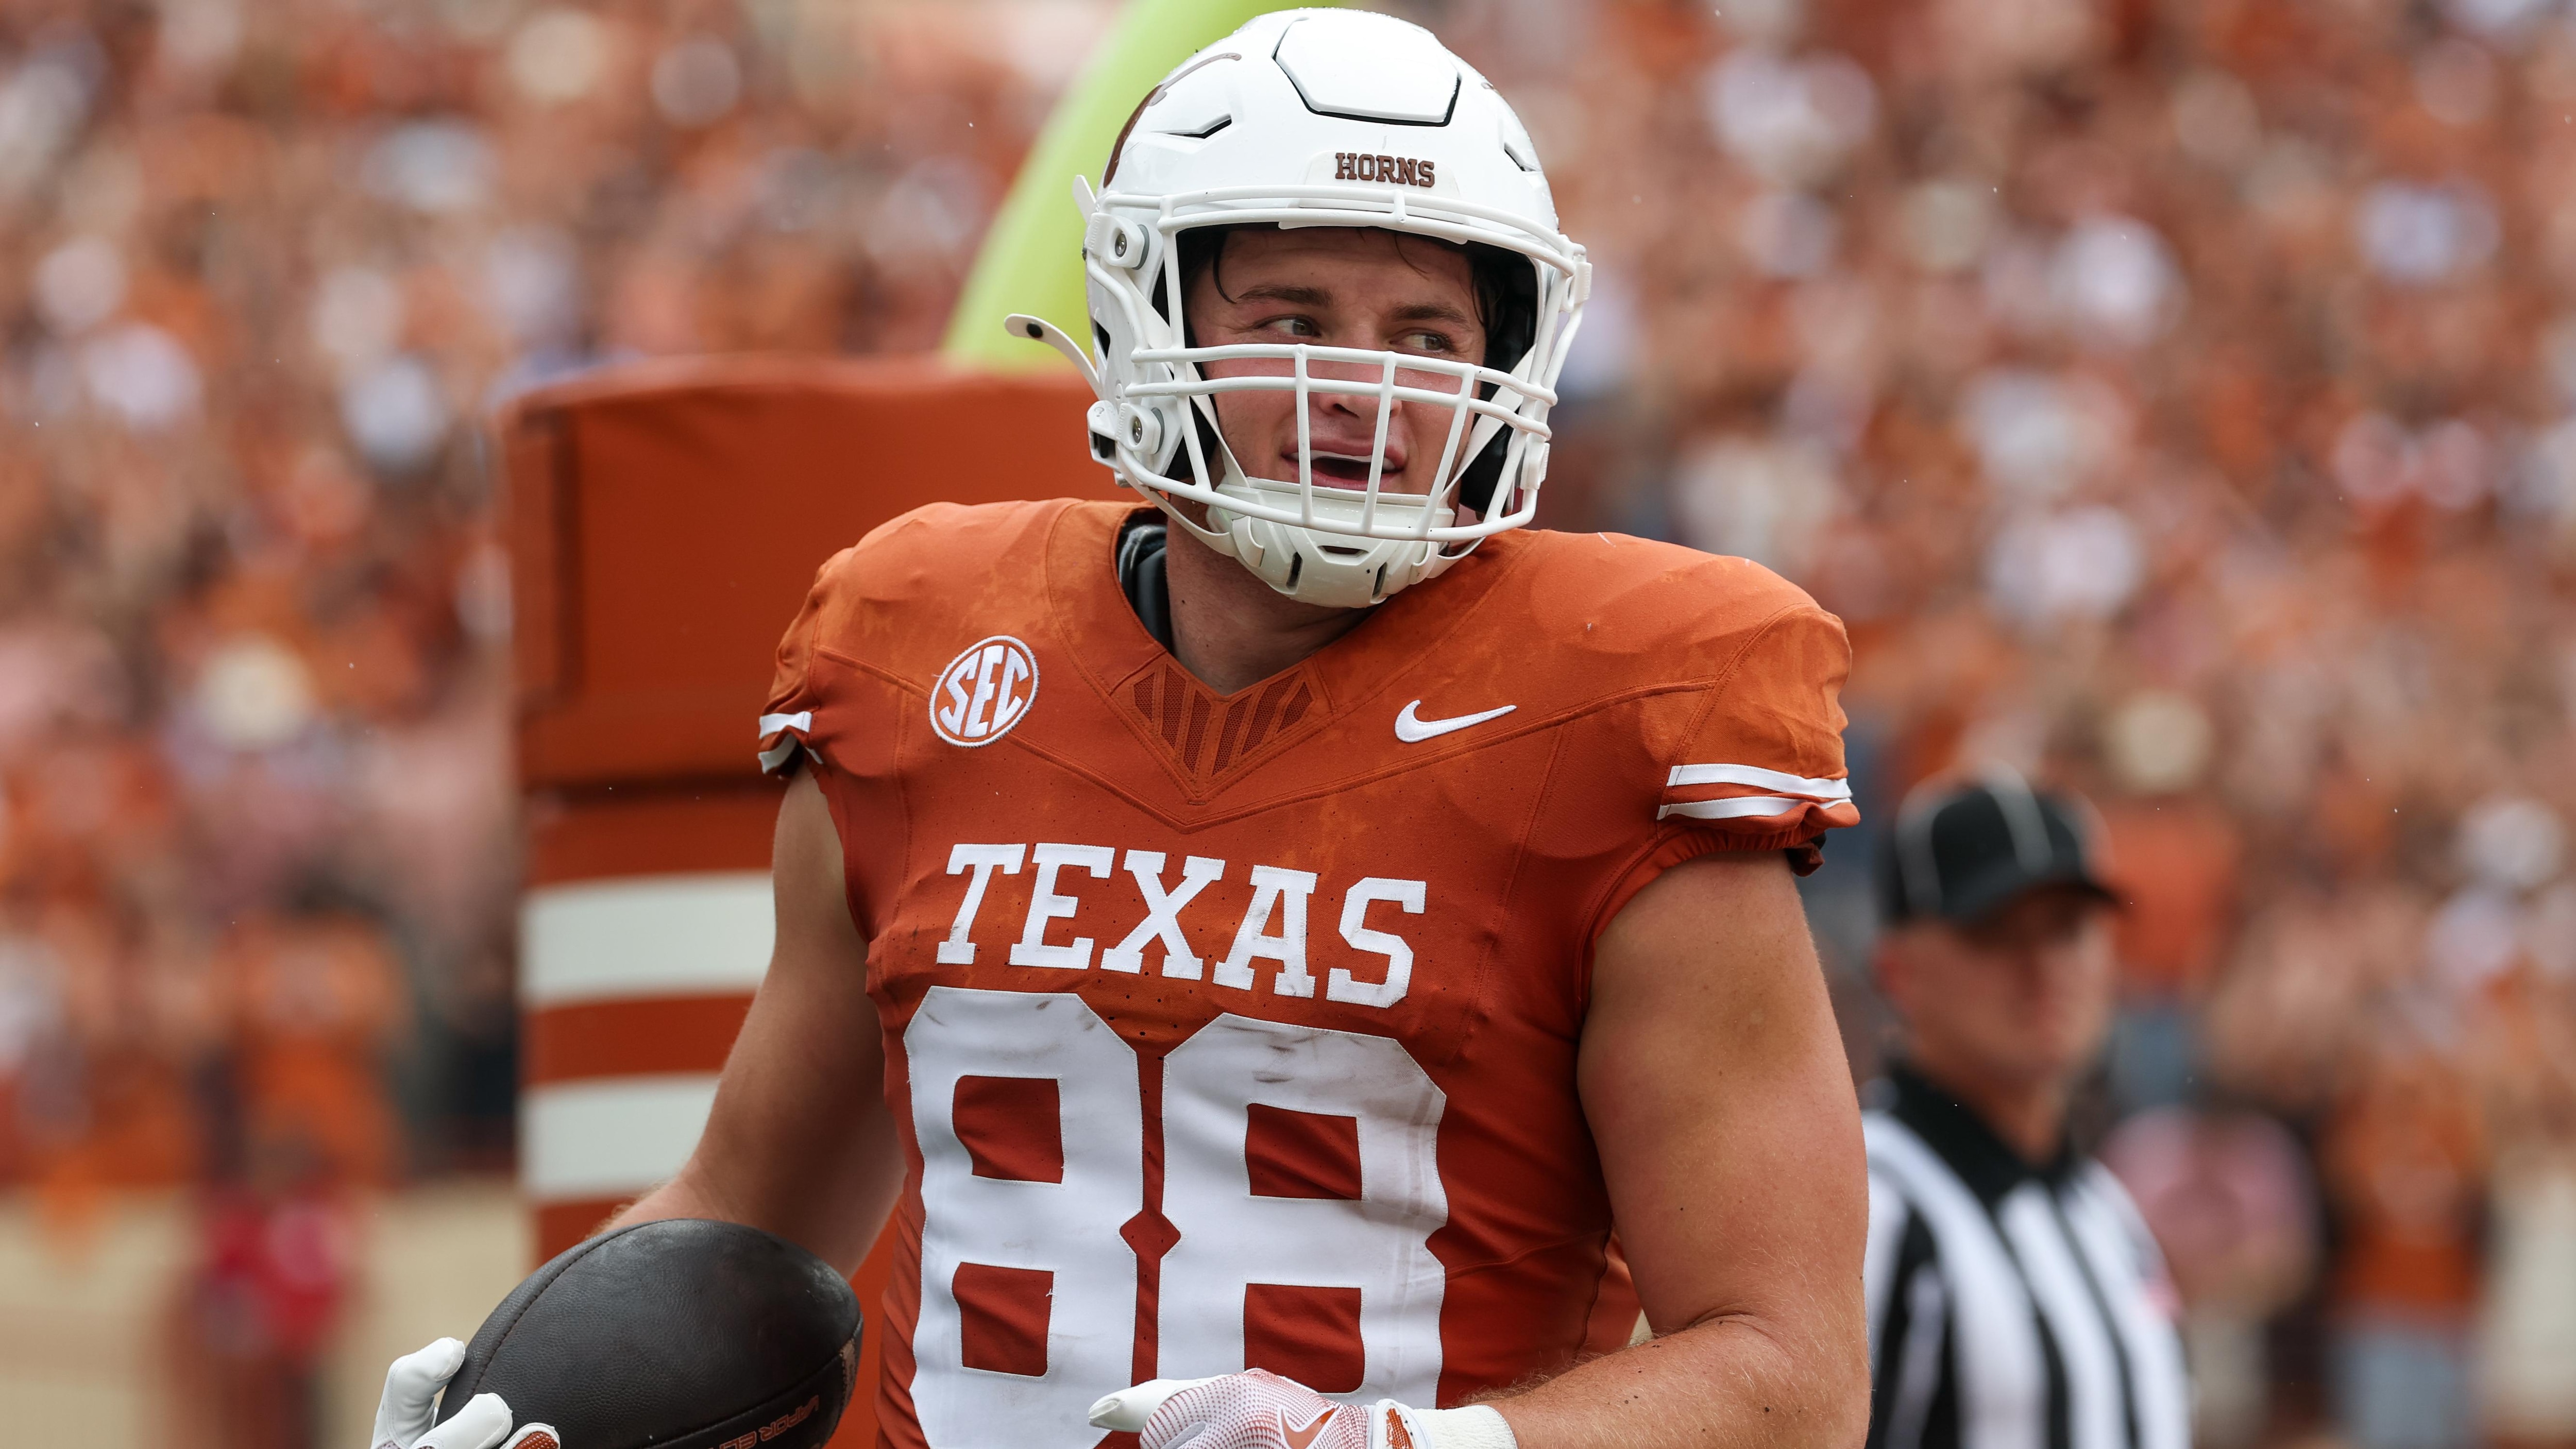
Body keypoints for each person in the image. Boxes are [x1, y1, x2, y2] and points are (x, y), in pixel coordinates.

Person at [375, 12, 1869, 1449]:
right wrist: (516, 1407)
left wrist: (1402, 1443)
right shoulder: (923, 656)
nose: (1363, 384)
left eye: (1425, 330)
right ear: (1151, 310)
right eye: (1295, 317)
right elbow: (750, 1207)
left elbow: (1788, 1371)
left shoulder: (1622, 709)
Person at [1860, 770, 2191, 1449]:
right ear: (1899, 970)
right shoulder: (1870, 1205)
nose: (2044, 968)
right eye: (1995, 932)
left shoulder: (2103, 1207)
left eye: (2068, 929)